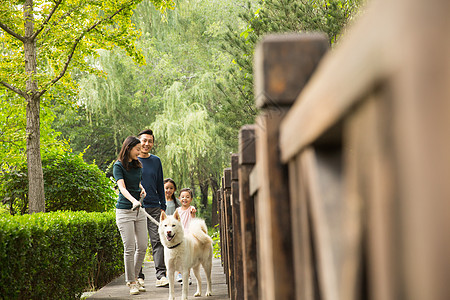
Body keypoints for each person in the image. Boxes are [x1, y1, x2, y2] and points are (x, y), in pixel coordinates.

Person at [113, 136, 148, 295]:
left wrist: (142, 189)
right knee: (130, 247)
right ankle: (131, 281)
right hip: (125, 211)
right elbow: (122, 188)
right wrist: (134, 200)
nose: (140, 152)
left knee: (142, 246)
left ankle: (134, 277)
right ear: (128, 148)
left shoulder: (138, 165)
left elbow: (137, 183)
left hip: (138, 210)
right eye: (137, 149)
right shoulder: (118, 166)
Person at [136, 129, 169, 287]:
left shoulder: (156, 161)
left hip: (155, 207)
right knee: (139, 243)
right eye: (144, 140)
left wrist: (163, 205)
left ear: (153, 143)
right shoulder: (131, 160)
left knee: (158, 241)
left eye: (150, 141)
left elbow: (159, 184)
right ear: (138, 141)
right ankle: (138, 276)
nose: (146, 144)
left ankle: (161, 276)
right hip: (137, 207)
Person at [175, 187, 197, 283]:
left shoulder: (191, 209)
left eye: (187, 197)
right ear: (179, 198)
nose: (185, 199)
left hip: (189, 235)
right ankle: (180, 273)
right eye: (183, 197)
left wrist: (193, 210)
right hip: (180, 235)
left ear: (191, 199)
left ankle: (187, 275)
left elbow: (193, 213)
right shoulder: (178, 210)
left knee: (187, 256)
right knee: (179, 255)